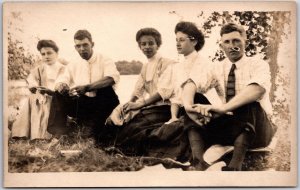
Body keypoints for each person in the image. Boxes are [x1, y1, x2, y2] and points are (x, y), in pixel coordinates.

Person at [182, 23, 276, 171]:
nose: (232, 46)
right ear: (221, 45)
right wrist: (188, 107)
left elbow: (256, 90)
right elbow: (191, 83)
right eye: (227, 42)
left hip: (259, 129)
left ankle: (234, 166)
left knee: (247, 102)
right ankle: (199, 162)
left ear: (245, 41)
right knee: (195, 99)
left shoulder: (258, 64)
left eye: (236, 41)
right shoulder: (217, 67)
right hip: (232, 128)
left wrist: (222, 108)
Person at [47, 29, 120, 142]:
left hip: (103, 104)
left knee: (105, 89)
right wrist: (62, 85)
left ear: (92, 44)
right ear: (75, 47)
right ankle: (59, 132)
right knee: (58, 94)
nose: (82, 49)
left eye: (85, 45)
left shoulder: (105, 59)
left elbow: (111, 79)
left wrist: (87, 87)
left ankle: (91, 128)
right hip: (84, 104)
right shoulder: (74, 63)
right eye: (78, 46)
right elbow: (63, 78)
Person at [112, 28, 176, 154]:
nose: (147, 47)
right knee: (124, 123)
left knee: (135, 126)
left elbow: (164, 92)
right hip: (152, 108)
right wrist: (127, 107)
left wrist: (141, 104)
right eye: (143, 44)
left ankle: (127, 152)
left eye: (151, 43)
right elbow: (137, 90)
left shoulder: (168, 63)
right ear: (139, 46)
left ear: (158, 45)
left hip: (166, 108)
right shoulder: (145, 66)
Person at [11, 40, 65, 140]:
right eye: (43, 54)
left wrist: (52, 90)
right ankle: (23, 132)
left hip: (56, 98)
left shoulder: (63, 69)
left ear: (56, 53)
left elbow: (63, 84)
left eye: (49, 53)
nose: (46, 56)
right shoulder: (39, 69)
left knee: (49, 101)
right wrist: (33, 87)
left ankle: (45, 135)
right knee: (31, 99)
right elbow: (31, 80)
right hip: (42, 96)